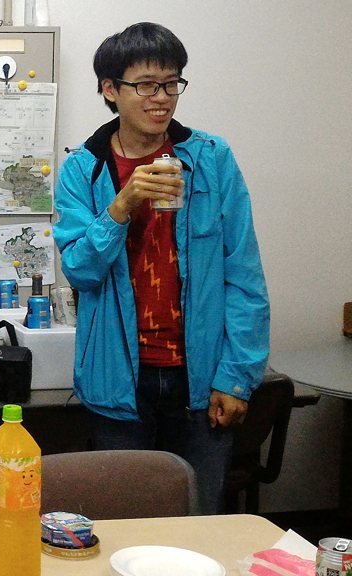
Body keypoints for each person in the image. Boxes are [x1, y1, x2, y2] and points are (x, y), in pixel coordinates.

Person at [51, 22, 270, 514]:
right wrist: (121, 205)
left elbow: (244, 275)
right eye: (147, 85)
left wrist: (236, 377)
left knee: (198, 518)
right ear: (110, 89)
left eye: (172, 84)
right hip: (117, 381)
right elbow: (80, 271)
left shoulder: (211, 159)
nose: (162, 98)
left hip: (200, 379)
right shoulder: (82, 169)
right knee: (121, 521)